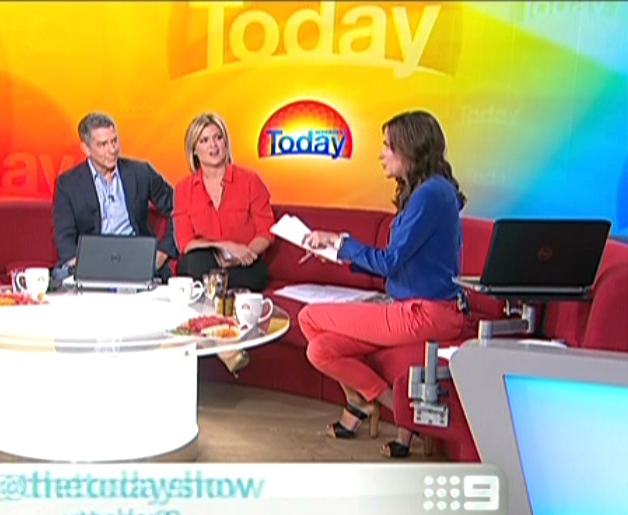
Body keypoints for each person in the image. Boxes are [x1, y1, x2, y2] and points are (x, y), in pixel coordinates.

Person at [297, 110, 468, 458]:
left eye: (388, 146)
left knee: (309, 316)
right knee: (321, 349)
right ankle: (370, 403)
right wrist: (337, 251)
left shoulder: (430, 194)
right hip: (412, 307)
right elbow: (402, 265)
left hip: (425, 313)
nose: (381, 154)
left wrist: (342, 243)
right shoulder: (426, 190)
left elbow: (390, 261)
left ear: (410, 148)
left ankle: (393, 411)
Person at [173, 112, 275, 373]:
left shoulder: (250, 181)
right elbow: (185, 242)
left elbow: (266, 232)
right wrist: (226, 246)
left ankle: (217, 335)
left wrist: (245, 253)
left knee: (217, 282)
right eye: (205, 140)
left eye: (218, 138)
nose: (213, 146)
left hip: (244, 266)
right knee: (196, 262)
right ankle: (226, 347)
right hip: (205, 267)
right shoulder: (183, 189)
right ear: (194, 149)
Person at [52, 112, 178, 282]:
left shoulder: (141, 173)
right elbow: (64, 236)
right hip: (92, 261)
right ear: (86, 149)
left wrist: (163, 253)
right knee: (61, 276)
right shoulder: (68, 184)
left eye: (114, 141)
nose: (112, 150)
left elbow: (179, 208)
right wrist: (82, 266)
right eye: (103, 144)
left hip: (135, 259)